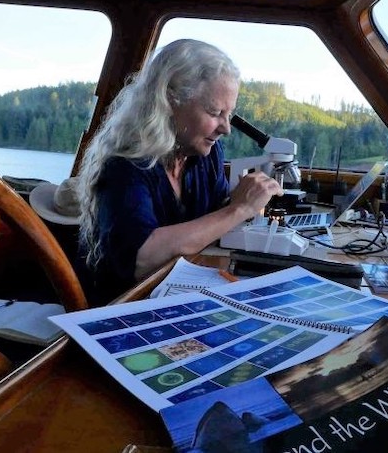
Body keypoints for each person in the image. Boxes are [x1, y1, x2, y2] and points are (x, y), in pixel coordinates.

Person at [76, 39, 282, 303]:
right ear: (170, 102)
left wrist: (242, 200)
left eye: (228, 114)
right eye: (215, 112)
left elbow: (213, 219)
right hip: (120, 305)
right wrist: (239, 209)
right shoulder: (124, 164)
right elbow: (142, 258)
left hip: (174, 294)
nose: (225, 128)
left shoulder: (205, 154)